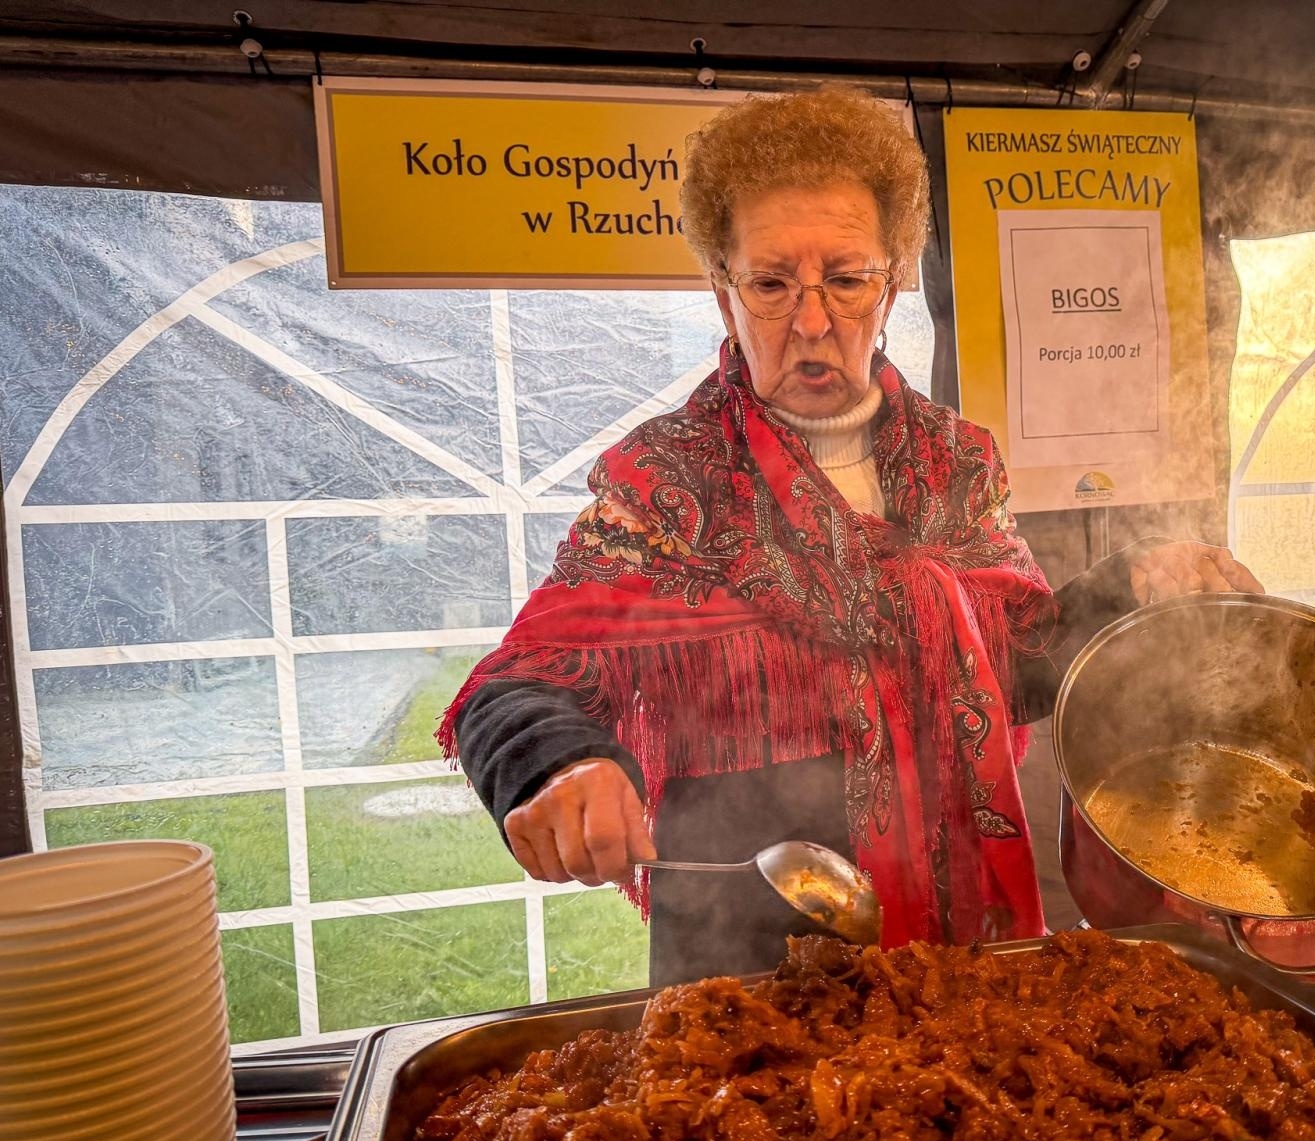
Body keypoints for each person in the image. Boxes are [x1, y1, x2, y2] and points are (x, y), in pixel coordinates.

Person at [442, 88, 1263, 987]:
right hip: (745, 955)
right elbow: (521, 681)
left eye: (845, 277)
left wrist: (1133, 588)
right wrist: (555, 765)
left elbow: (1011, 662)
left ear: (895, 280)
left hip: (953, 942)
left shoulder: (956, 463)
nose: (811, 321)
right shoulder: (666, 481)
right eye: (770, 284)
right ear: (723, 292)